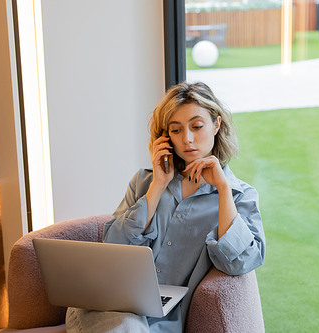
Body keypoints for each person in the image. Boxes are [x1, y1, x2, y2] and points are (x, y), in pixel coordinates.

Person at [65, 82, 266, 333]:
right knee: (126, 327)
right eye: (176, 130)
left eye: (197, 126)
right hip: (105, 306)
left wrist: (223, 190)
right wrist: (158, 185)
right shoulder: (144, 182)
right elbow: (113, 247)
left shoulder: (239, 195)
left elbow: (240, 263)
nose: (187, 139)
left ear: (216, 124)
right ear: (165, 136)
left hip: (162, 321)